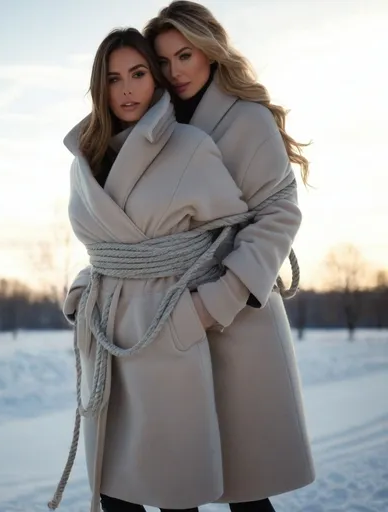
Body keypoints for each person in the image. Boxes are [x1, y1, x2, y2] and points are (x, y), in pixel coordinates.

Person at [47, 27, 289, 512]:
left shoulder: (189, 145)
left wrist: (206, 307)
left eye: (139, 74)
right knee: (116, 489)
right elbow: (105, 244)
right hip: (111, 335)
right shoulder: (85, 157)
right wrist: (83, 286)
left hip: (172, 331)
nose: (128, 89)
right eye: (114, 79)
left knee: (178, 487)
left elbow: (230, 231)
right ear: (100, 87)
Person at [142, 1, 316, 511]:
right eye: (164, 61)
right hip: (171, 312)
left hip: (236, 317)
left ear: (211, 52)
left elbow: (279, 214)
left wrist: (221, 297)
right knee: (176, 481)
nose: (174, 72)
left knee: (245, 489)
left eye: (185, 56)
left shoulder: (248, 119)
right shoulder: (156, 124)